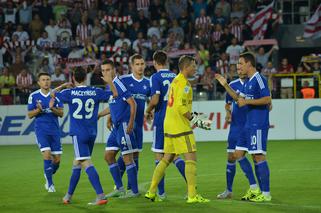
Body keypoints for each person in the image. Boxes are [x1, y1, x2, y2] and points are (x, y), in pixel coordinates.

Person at [145, 55, 211, 203]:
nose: (195, 69)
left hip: (168, 124)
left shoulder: (176, 81)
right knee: (191, 158)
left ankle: (151, 191)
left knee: (166, 158)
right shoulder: (184, 84)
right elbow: (181, 107)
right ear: (186, 67)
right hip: (180, 126)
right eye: (193, 66)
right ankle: (192, 196)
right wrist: (196, 121)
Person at [54, 67, 117, 205]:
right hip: (92, 133)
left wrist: (63, 85)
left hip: (78, 133)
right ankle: (68, 196)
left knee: (85, 162)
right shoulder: (96, 91)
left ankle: (100, 195)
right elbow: (114, 95)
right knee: (77, 162)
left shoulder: (69, 92)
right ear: (85, 78)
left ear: (73, 78)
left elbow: (51, 95)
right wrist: (110, 82)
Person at [215, 52, 272, 202]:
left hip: (257, 123)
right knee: (238, 154)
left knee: (258, 156)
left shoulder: (259, 79)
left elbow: (267, 98)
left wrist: (247, 102)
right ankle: (254, 188)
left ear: (249, 64)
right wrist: (225, 85)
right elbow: (238, 98)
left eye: (240, 63)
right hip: (248, 124)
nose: (238, 66)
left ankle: (265, 194)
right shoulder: (247, 82)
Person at [144, 50, 186, 200]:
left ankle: (161, 193)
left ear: (155, 62)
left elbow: (155, 100)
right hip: (175, 120)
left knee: (159, 155)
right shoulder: (176, 76)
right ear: (166, 61)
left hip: (161, 120)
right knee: (175, 156)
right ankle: (191, 186)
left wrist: (147, 110)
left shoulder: (155, 77)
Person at [216, 62, 259, 199]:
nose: (239, 70)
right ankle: (228, 190)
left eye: (241, 68)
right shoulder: (233, 84)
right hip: (235, 126)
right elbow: (228, 103)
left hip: (249, 125)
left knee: (250, 156)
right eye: (237, 69)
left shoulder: (253, 83)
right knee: (231, 157)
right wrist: (228, 113)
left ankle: (255, 187)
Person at [100, 60, 139, 198]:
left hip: (123, 126)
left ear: (114, 70)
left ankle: (134, 191)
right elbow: (114, 104)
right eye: (103, 70)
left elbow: (132, 103)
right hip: (115, 128)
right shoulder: (110, 86)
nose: (106, 73)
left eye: (108, 70)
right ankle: (120, 188)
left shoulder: (118, 84)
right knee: (108, 156)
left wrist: (130, 123)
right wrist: (102, 115)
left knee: (127, 158)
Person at [112, 54, 151, 191]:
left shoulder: (148, 82)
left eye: (142, 64)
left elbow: (150, 101)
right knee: (125, 155)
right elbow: (114, 101)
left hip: (138, 125)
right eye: (137, 64)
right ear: (131, 66)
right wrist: (109, 116)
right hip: (124, 124)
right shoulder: (124, 80)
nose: (140, 67)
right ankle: (118, 186)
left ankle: (129, 186)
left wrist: (149, 111)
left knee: (135, 156)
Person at [27, 72, 64, 193]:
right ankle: (50, 184)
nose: (46, 82)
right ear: (39, 82)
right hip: (41, 131)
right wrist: (39, 110)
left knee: (57, 160)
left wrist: (52, 108)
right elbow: (29, 115)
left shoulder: (56, 95)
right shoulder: (33, 96)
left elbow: (61, 113)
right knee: (47, 154)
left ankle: (48, 173)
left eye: (48, 79)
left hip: (54, 131)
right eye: (43, 80)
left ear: (50, 81)